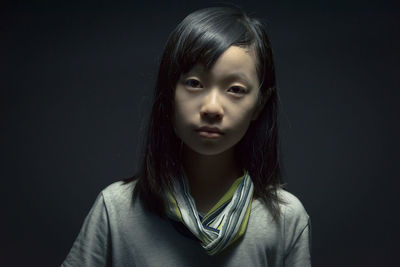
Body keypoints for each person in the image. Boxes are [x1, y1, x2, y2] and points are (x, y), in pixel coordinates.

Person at [62, 6, 311, 267]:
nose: (212, 107)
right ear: (169, 94)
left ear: (259, 104)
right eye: (194, 83)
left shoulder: (285, 218)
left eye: (235, 89)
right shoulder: (115, 210)